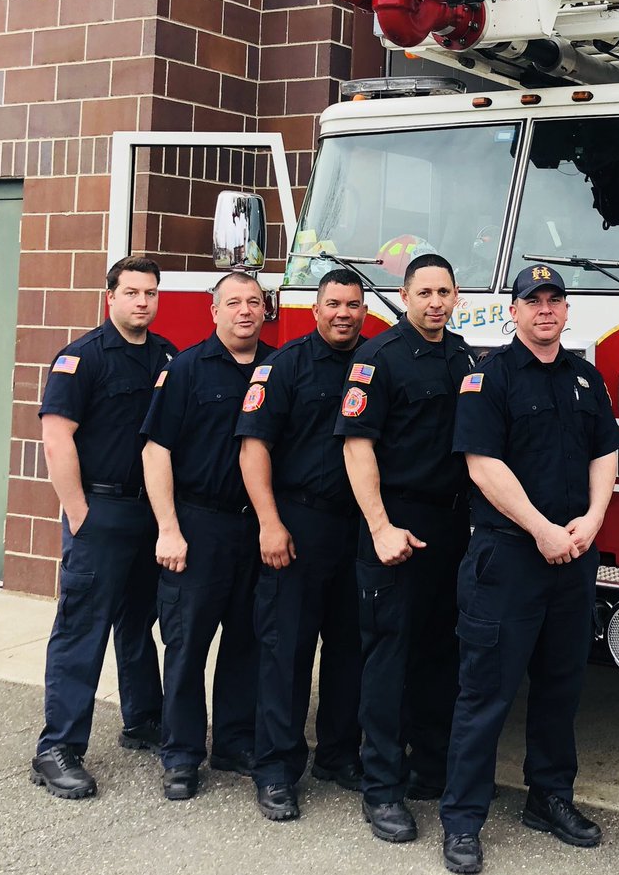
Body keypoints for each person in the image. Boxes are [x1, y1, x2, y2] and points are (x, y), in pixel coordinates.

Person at [439, 264, 619, 875]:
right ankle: (462, 820)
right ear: (512, 312)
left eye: (554, 300)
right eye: (532, 301)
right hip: (510, 558)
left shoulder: (585, 379)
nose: (544, 310)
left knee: (560, 686)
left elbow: (605, 451)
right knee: (485, 693)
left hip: (573, 556)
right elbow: (482, 465)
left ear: (566, 312)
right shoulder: (486, 379)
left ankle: (550, 799)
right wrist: (541, 530)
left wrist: (593, 520)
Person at [336, 253, 475, 845]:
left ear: (456, 296)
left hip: (450, 528)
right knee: (388, 661)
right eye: (424, 292)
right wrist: (381, 527)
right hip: (396, 523)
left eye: (444, 292)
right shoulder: (377, 359)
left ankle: (431, 770)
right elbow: (356, 447)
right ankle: (382, 788)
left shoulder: (464, 356)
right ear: (405, 294)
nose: (435, 302)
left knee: (438, 654)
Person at [30, 256, 177, 799]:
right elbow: (57, 437)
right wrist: (77, 512)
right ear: (110, 296)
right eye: (133, 292)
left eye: (151, 293)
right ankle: (58, 747)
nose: (143, 301)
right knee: (81, 628)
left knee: (139, 623)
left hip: (149, 512)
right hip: (101, 511)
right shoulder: (81, 358)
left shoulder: (165, 355)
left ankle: (143, 720)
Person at [236, 268, 369, 822]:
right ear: (315, 311)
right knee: (285, 651)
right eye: (333, 304)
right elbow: (253, 447)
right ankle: (276, 770)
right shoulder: (283, 365)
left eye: (353, 305)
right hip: (297, 524)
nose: (344, 313)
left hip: (358, 528)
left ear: (365, 311)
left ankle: (337, 755)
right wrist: (270, 522)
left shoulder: (376, 363)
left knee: (350, 649)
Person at [139, 270, 272, 800]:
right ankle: (182, 754)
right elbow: (156, 451)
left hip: (256, 526)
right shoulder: (187, 369)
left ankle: (235, 742)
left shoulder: (277, 368)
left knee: (248, 640)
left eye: (255, 302)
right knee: (188, 643)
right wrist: (168, 528)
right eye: (233, 302)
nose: (245, 311)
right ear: (212, 312)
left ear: (267, 311)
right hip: (198, 525)